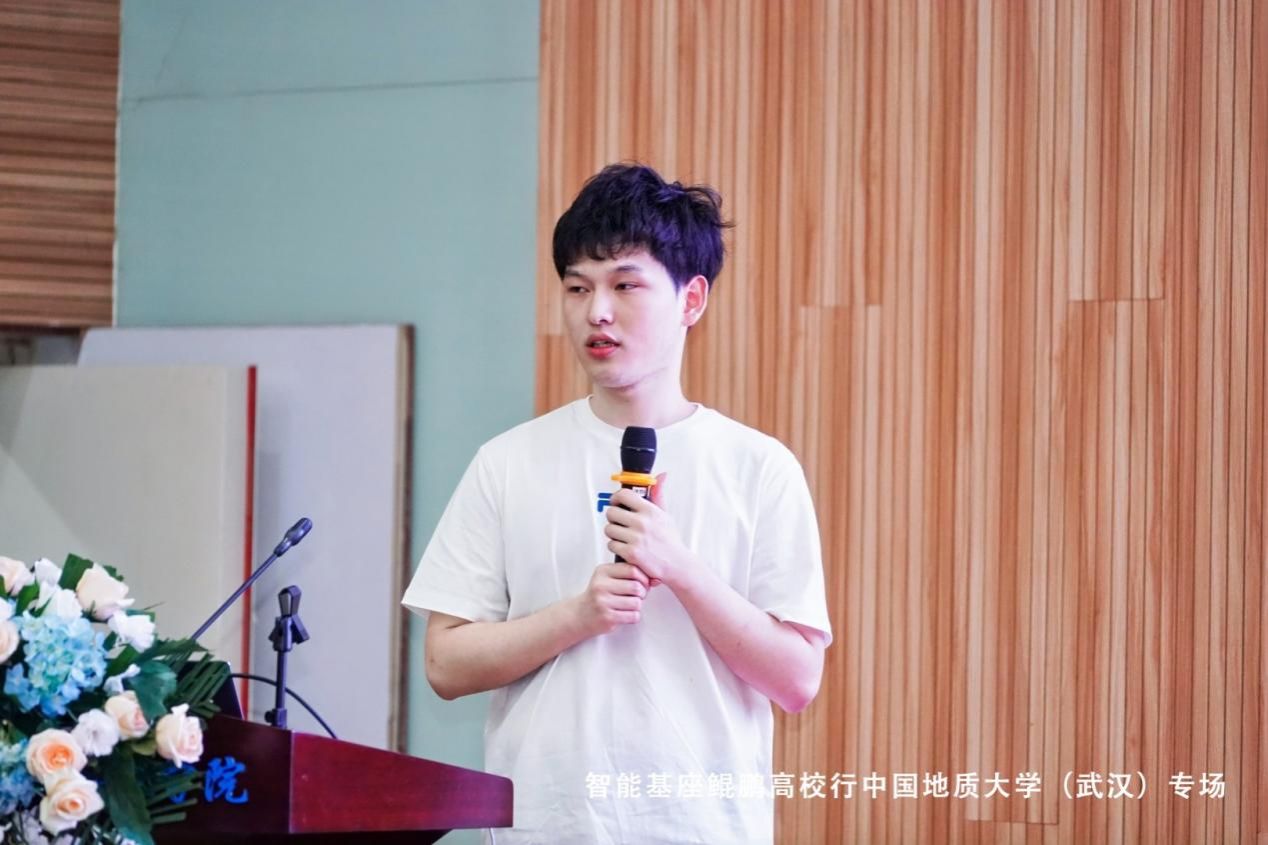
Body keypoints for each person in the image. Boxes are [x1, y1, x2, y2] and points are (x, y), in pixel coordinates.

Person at [401, 163, 832, 844]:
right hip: (546, 829)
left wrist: (682, 570)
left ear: (691, 299)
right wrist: (577, 616)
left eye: (625, 285)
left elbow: (798, 678)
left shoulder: (759, 467)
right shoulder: (507, 462)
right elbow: (446, 664)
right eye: (578, 287)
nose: (596, 311)